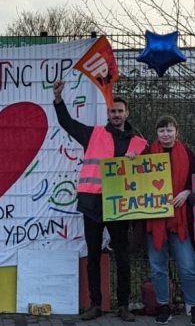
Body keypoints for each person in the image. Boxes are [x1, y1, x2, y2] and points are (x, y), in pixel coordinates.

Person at [52, 81, 147, 321]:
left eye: (119, 111)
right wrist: (58, 98)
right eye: (112, 111)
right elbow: (67, 124)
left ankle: (123, 305)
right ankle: (95, 304)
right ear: (108, 113)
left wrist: (137, 160)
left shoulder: (139, 143)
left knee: (122, 257)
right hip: (92, 203)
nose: (116, 115)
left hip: (121, 206)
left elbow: (150, 174)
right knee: (93, 254)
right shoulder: (93, 134)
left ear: (127, 113)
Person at [144, 116, 195, 325]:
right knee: (157, 268)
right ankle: (163, 306)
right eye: (162, 131)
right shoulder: (147, 154)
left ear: (176, 132)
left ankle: (194, 306)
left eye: (169, 130)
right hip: (155, 223)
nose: (166, 134)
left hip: (180, 223)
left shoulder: (188, 154)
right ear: (157, 134)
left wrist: (187, 192)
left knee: (188, 266)